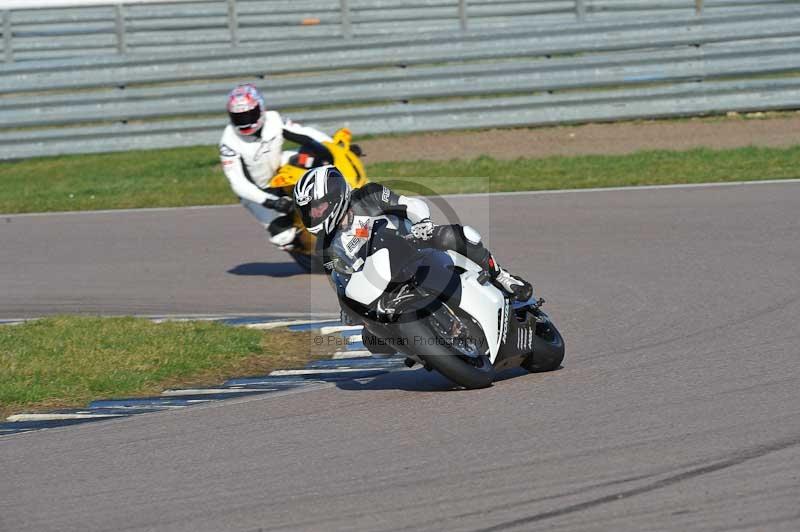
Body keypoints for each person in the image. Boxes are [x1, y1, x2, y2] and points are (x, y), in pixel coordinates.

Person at [294, 165, 533, 302]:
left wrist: (423, 223)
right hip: (381, 282)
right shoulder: (327, 247)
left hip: (414, 246)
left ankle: (502, 276)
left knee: (457, 236)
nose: (315, 214)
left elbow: (411, 205)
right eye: (310, 211)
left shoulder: (368, 195)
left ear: (334, 196)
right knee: (372, 338)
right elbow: (340, 281)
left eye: (318, 207)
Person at [219, 84, 335, 250]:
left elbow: (305, 133)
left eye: (250, 114)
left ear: (260, 108)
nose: (246, 122)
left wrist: (334, 146)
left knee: (314, 157)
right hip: (258, 192)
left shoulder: (273, 118)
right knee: (285, 237)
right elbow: (237, 182)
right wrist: (271, 202)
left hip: (281, 169)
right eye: (239, 118)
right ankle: (308, 251)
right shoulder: (228, 141)